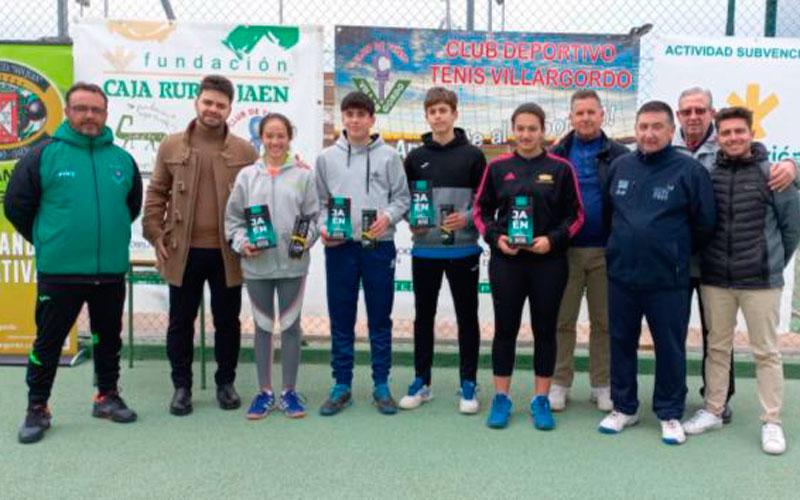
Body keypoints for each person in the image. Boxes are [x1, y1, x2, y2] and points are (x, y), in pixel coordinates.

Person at [4, 82, 143, 444]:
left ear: (106, 114)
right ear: (68, 112)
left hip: (109, 270)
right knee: (47, 343)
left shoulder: (121, 160)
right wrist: (51, 240)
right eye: (81, 108)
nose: (89, 116)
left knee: (108, 339)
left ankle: (107, 397)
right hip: (60, 272)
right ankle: (37, 408)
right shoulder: (43, 155)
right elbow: (16, 206)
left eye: (96, 110)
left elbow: (130, 208)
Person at [674, 87, 797, 423]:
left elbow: (790, 230)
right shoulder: (701, 168)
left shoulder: (769, 172)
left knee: (766, 351)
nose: (732, 137)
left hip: (757, 278)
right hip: (707, 274)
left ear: (751, 134)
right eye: (726, 132)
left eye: (738, 131)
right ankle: (709, 408)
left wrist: (771, 260)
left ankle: (769, 420)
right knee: (716, 346)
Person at [598, 100, 715, 446]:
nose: (649, 134)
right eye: (643, 127)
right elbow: (609, 217)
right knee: (620, 342)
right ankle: (625, 408)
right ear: (636, 130)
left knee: (669, 347)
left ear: (670, 130)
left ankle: (669, 412)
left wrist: (671, 250)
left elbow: (705, 224)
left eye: (656, 127)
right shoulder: (620, 167)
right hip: (622, 277)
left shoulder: (689, 171)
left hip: (668, 279)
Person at [143, 75, 258, 416]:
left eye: (220, 105)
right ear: (197, 102)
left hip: (228, 252)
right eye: (208, 102)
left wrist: (253, 239)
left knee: (228, 321)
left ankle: (226, 382)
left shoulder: (244, 151)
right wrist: (155, 233)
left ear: (229, 109)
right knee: (180, 321)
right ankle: (182, 387)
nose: (213, 109)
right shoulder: (171, 146)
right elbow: (156, 194)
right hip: (184, 251)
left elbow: (255, 201)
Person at [474, 102, 584, 430]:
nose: (525, 135)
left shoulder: (561, 168)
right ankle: (502, 398)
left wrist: (553, 239)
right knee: (505, 330)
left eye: (532, 129)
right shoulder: (497, 168)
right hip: (507, 262)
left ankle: (540, 399)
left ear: (543, 131)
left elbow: (576, 215)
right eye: (520, 128)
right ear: (513, 130)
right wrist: (496, 239)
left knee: (545, 331)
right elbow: (481, 211)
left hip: (548, 262)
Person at [315, 91, 410, 416]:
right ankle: (341, 384)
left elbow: (402, 199)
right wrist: (325, 227)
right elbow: (319, 205)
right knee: (342, 317)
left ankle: (381, 384)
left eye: (361, 114)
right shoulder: (327, 158)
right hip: (341, 249)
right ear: (343, 118)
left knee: (379, 317)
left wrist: (388, 217)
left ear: (372, 119)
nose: (355, 120)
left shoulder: (389, 157)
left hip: (378, 247)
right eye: (349, 114)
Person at [225, 113, 319, 420]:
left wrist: (306, 240)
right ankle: (265, 392)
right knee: (263, 328)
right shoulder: (246, 177)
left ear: (289, 138)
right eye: (270, 135)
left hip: (293, 266)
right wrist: (242, 243)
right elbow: (234, 221)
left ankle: (289, 392)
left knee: (291, 328)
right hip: (257, 266)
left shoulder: (304, 176)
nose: (276, 141)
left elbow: (314, 219)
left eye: (281, 135)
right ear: (261, 139)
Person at [399, 87, 486, 414]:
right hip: (425, 252)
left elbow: (485, 202)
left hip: (464, 250)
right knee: (424, 317)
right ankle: (422, 381)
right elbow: (405, 200)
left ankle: (469, 382)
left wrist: (466, 217)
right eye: (432, 111)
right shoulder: (415, 158)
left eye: (443, 110)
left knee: (468, 317)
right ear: (427, 116)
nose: (438, 116)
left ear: (454, 114)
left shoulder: (474, 156)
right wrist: (412, 220)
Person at [549, 90, 629, 412]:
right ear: (571, 118)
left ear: (602, 115)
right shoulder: (556, 154)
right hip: (565, 252)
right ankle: (559, 382)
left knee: (604, 323)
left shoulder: (621, 155)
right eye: (579, 113)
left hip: (605, 252)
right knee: (562, 321)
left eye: (591, 112)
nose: (585, 118)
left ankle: (602, 384)